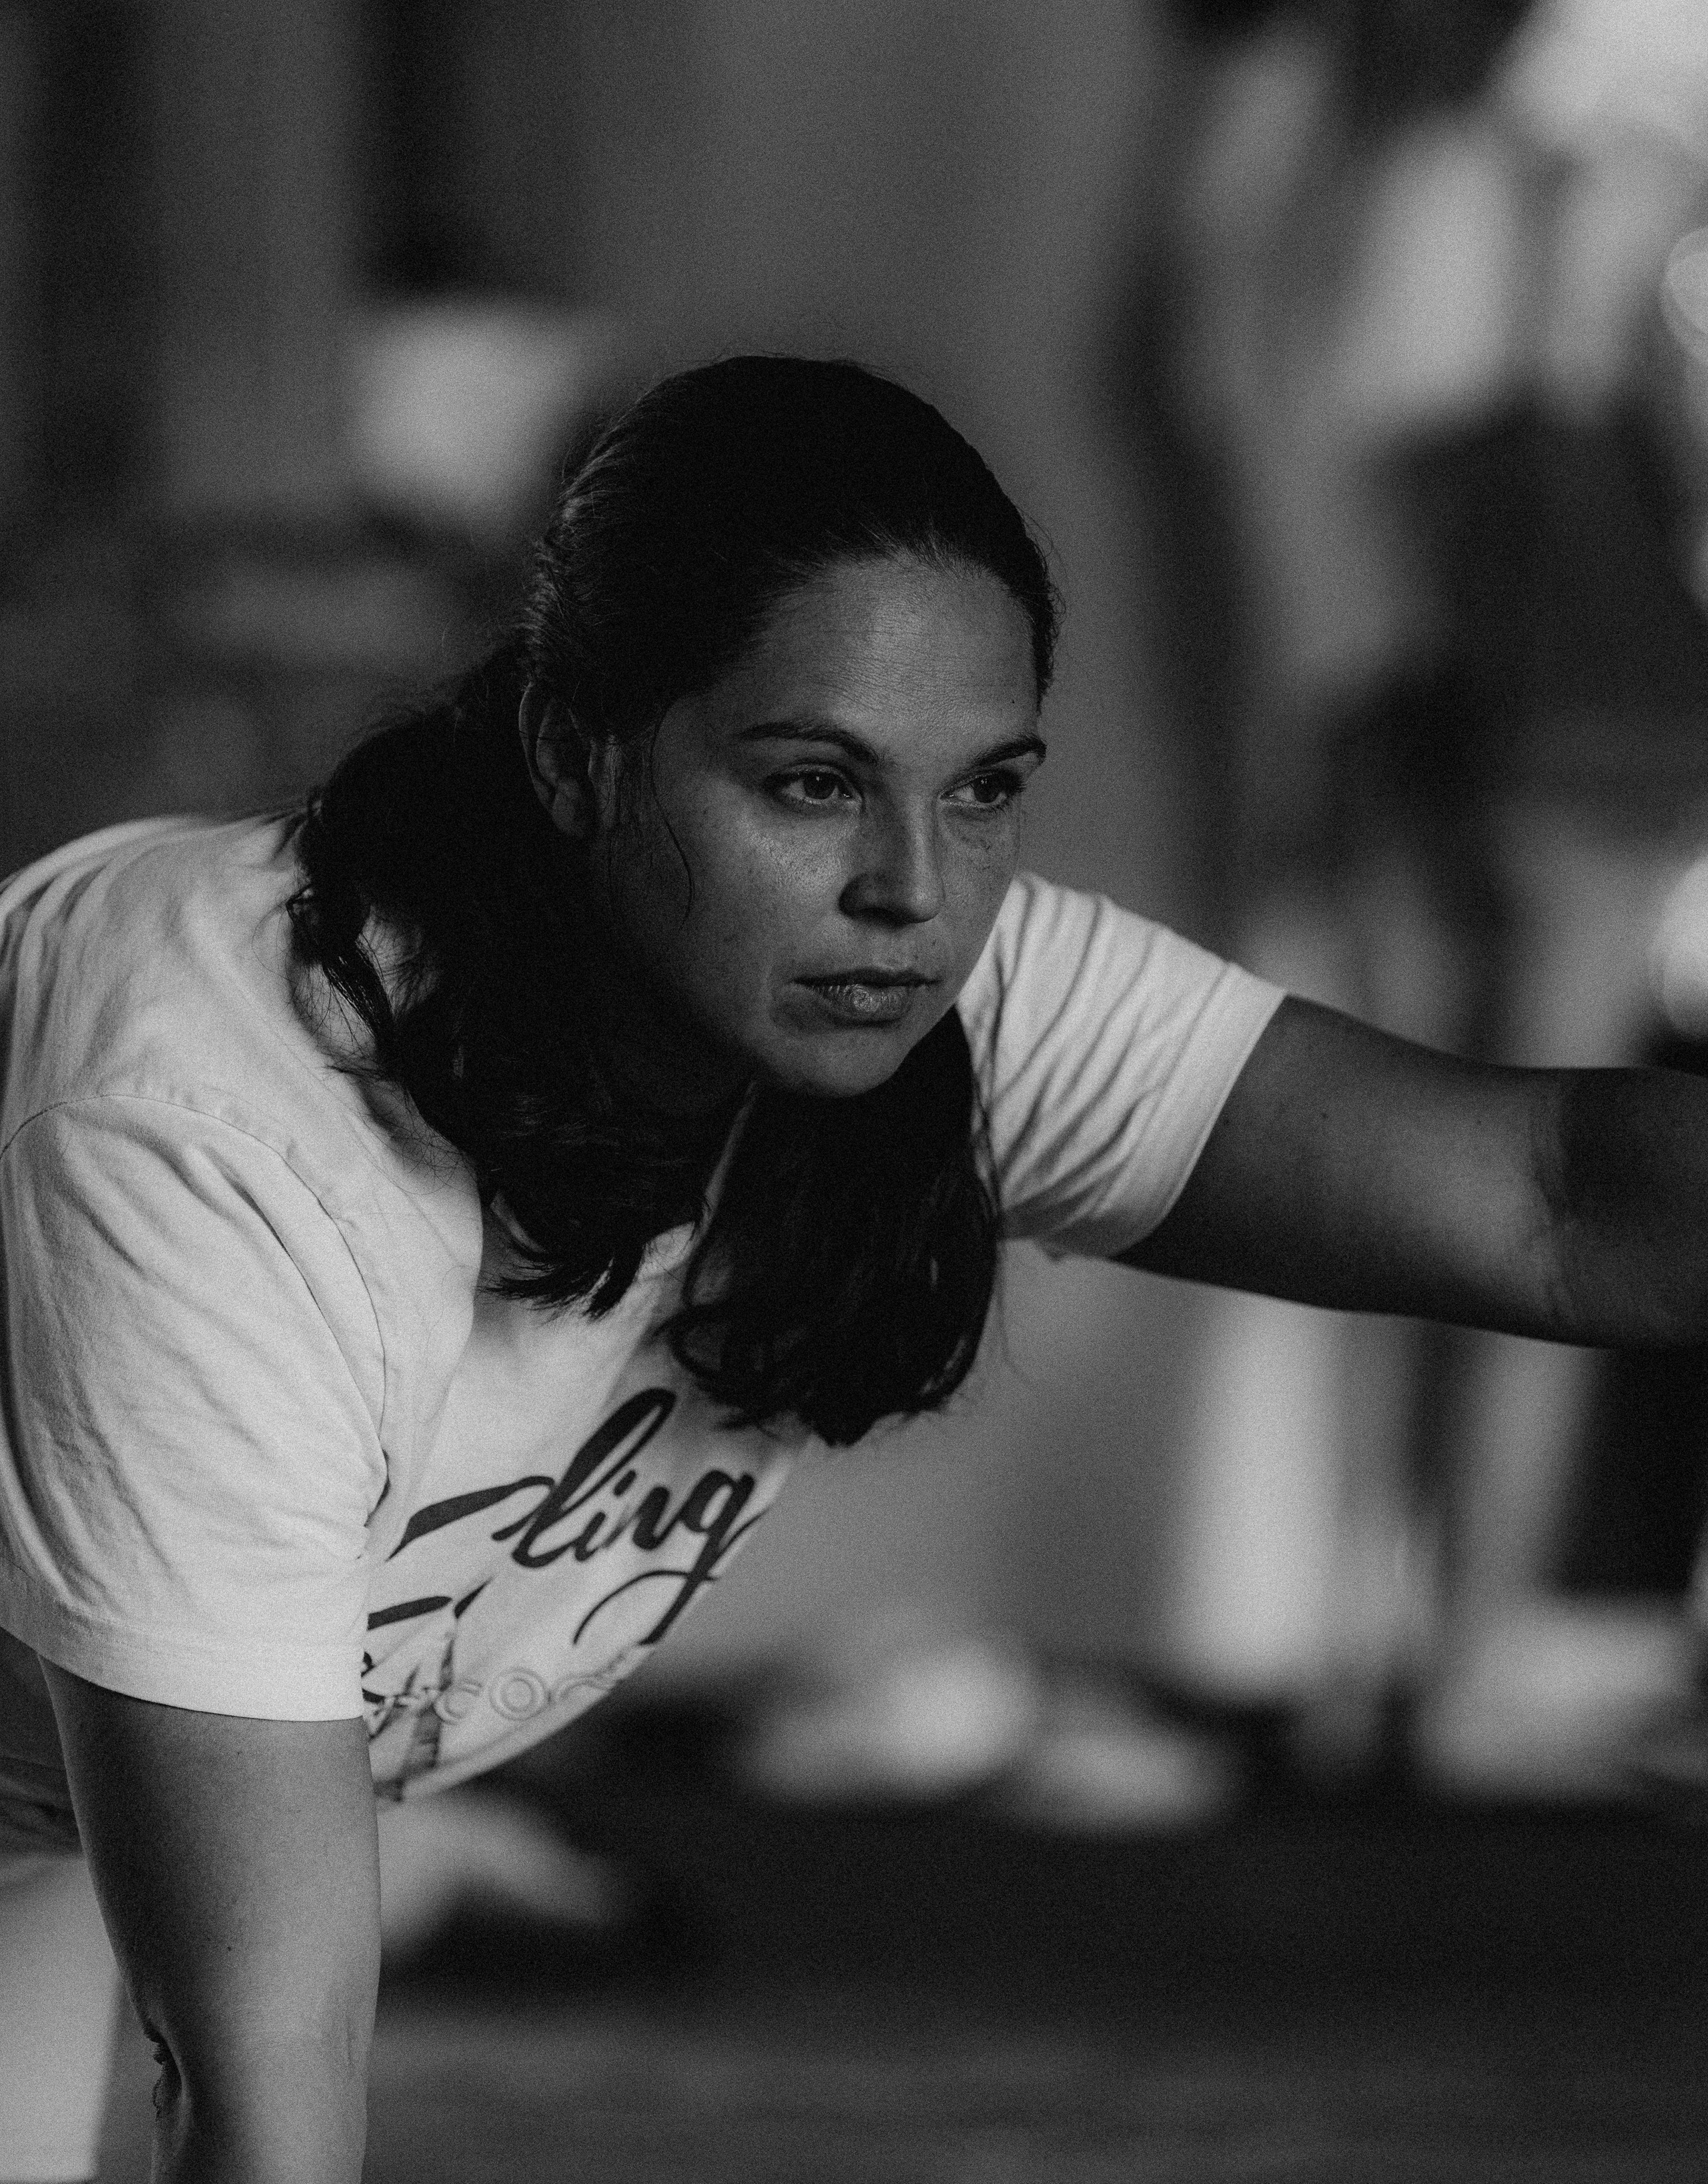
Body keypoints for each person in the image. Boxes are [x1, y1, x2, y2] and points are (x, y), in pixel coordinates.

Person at [5, 355, 1708, 2182]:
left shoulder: (915, 990)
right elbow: (266, 2074)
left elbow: (1557, 1198)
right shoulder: (220, 1134)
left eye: (984, 791)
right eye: (811, 782)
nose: (915, 887)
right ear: (574, 752)